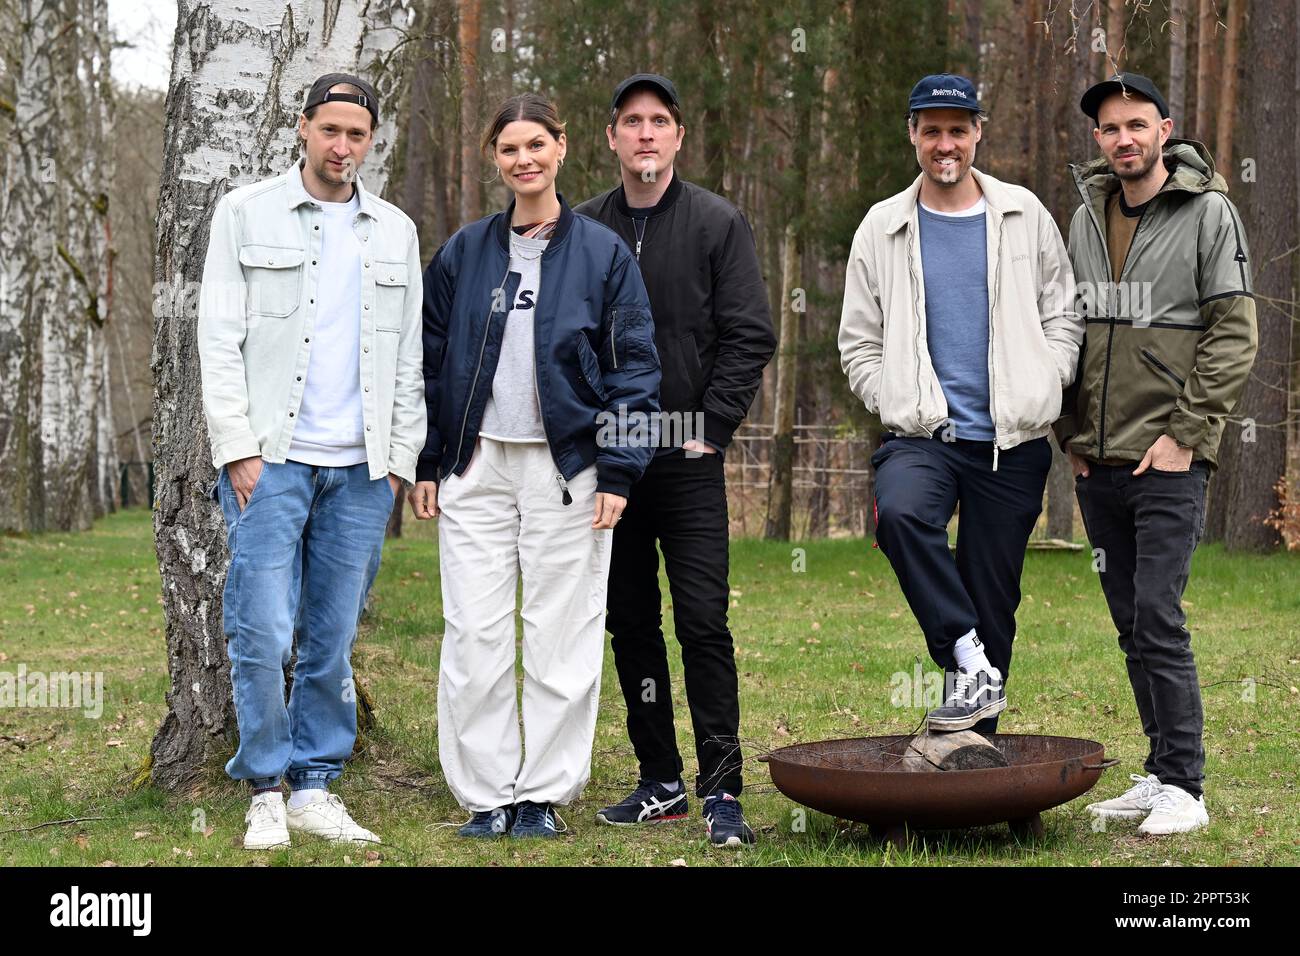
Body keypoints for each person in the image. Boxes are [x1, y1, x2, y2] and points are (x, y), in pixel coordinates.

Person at [410, 93, 661, 839]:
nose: (524, 160)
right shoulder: (463, 252)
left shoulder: (601, 254)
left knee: (561, 632)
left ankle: (541, 795)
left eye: (536, 146)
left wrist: (618, 470)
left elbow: (635, 368)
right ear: (496, 158)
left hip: (569, 470)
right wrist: (429, 460)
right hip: (476, 468)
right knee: (476, 634)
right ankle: (487, 796)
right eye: (509, 149)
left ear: (562, 147)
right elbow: (429, 364)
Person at [198, 73, 425, 850]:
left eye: (357, 133)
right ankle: (265, 784)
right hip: (272, 459)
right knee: (261, 629)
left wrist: (397, 461)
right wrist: (236, 449)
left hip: (361, 471)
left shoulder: (393, 230)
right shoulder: (244, 213)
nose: (343, 146)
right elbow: (217, 339)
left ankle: (316, 784)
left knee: (329, 636)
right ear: (303, 128)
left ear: (371, 139)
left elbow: (408, 361)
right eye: (330, 130)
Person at [838, 73, 1082, 734]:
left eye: (957, 129)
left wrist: (1046, 379)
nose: (945, 144)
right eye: (931, 130)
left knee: (992, 598)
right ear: (913, 135)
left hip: (1013, 442)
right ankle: (966, 656)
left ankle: (971, 752)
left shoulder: (1023, 214)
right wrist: (889, 393)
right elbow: (858, 340)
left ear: (977, 133)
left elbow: (1063, 314)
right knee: (903, 518)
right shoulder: (883, 227)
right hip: (922, 436)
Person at [574, 74, 775, 847]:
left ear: (678, 137)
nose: (646, 134)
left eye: (660, 120)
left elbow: (749, 331)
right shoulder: (583, 227)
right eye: (632, 122)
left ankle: (723, 791)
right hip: (613, 462)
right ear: (612, 138)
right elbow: (566, 341)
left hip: (689, 457)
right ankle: (658, 779)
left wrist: (713, 425)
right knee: (630, 621)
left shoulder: (717, 223)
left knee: (702, 621)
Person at [1060, 73, 1258, 835]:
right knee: (1128, 620)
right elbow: (1064, 330)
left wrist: (1185, 436)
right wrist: (1066, 435)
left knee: (1157, 615)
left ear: (1165, 129)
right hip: (1096, 462)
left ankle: (1187, 786)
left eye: (1136, 125)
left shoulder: (1210, 214)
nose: (1123, 139)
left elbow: (1234, 335)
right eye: (1110, 129)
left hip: (1167, 459)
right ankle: (1158, 770)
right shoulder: (1085, 215)